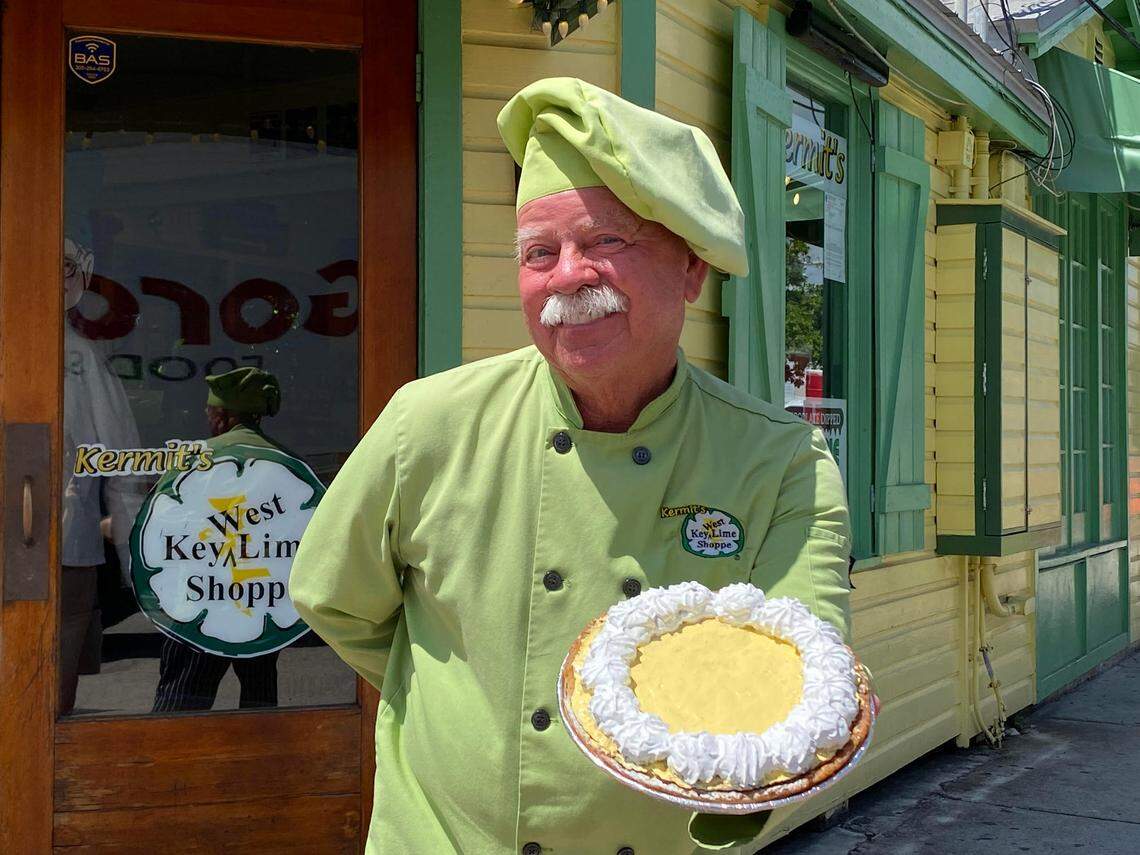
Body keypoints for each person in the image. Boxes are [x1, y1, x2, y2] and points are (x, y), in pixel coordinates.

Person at [290, 78, 852, 854]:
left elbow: (805, 689)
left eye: (605, 243)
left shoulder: (781, 461)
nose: (567, 278)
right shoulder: (427, 425)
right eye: (538, 253)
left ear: (691, 268)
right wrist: (463, 708)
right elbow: (334, 597)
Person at [150, 367, 285, 712]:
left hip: (202, 597)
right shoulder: (284, 461)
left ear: (222, 416)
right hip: (262, 599)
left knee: (182, 700)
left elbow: (164, 523)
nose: (207, 418)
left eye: (209, 412)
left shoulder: (198, 460)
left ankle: (170, 764)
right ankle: (261, 762)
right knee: (260, 697)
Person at [60, 237, 145, 714]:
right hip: (61, 543)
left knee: (50, 699)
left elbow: (121, 464)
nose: (60, 278)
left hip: (65, 544)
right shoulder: (79, 359)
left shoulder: (84, 361)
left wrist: (133, 559)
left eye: (68, 267)